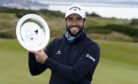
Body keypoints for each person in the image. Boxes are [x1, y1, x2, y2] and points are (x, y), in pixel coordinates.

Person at [28, 4, 100, 84]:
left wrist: (46, 61)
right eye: (70, 19)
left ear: (84, 21)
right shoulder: (56, 43)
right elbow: (35, 71)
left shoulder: (91, 47)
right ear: (66, 21)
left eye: (78, 19)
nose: (74, 23)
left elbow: (76, 74)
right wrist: (32, 50)